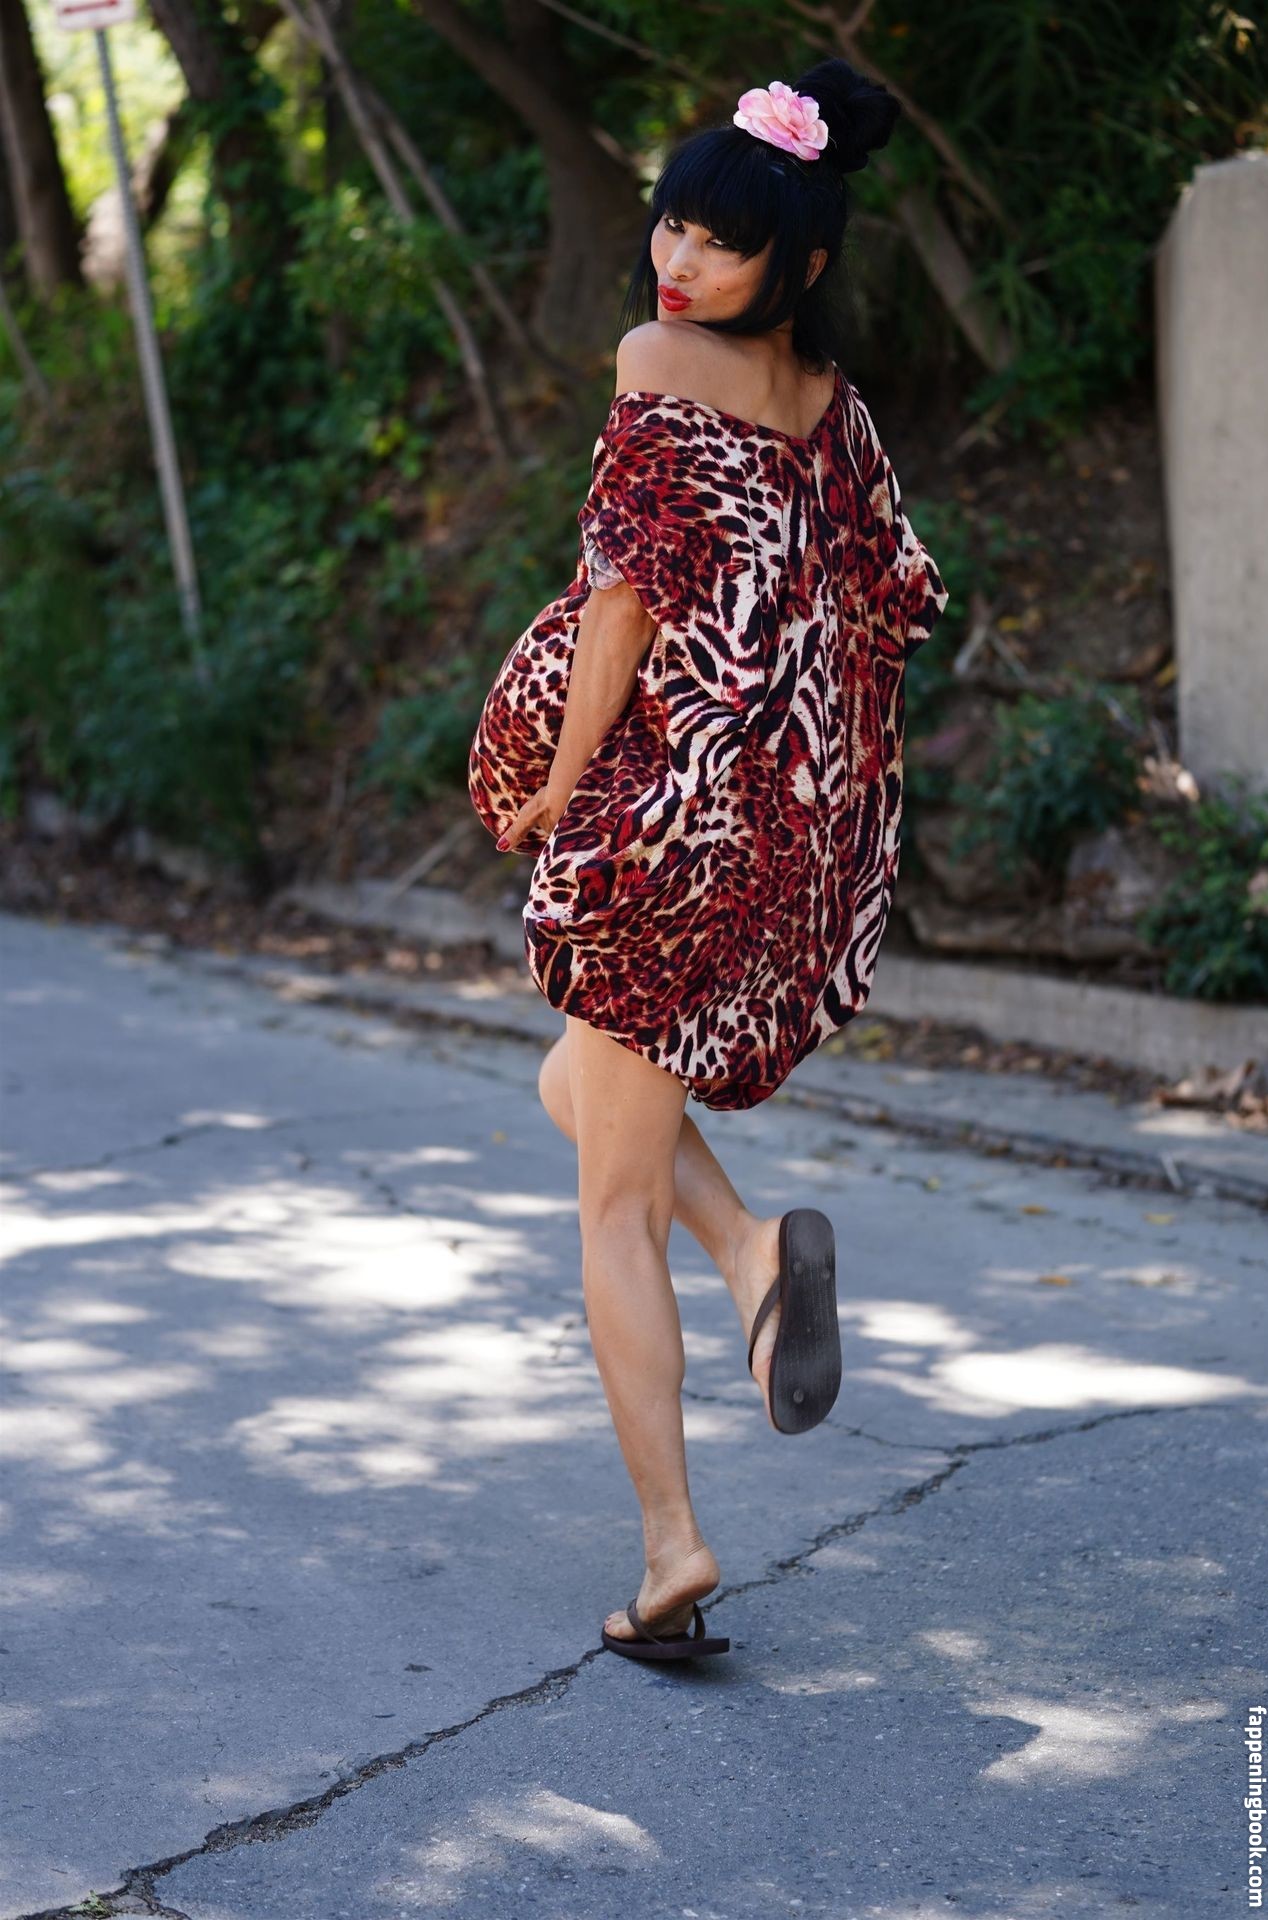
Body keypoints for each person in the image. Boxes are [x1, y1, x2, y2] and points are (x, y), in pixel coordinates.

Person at [467, 58, 949, 1663]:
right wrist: (837, 834)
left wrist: (560, 788)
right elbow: (880, 613)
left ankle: (672, 1547)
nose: (679, 261)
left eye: (722, 242)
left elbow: (622, 597)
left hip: (666, 824)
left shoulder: (657, 362)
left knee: (608, 1205)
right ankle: (753, 1253)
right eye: (673, 224)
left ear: (799, 259)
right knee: (578, 1086)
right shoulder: (836, 409)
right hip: (777, 837)